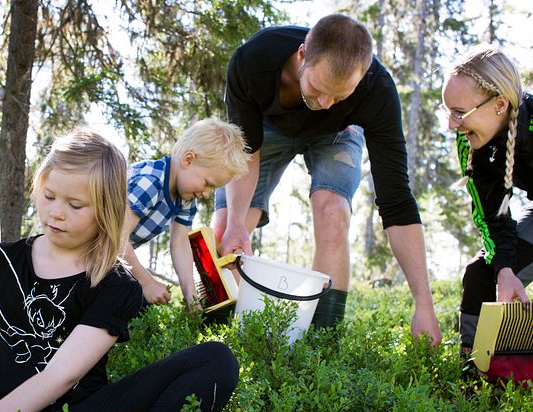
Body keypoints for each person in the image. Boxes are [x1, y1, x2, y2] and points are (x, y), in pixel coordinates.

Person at [0, 129, 240, 412]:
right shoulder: (2, 261)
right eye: (49, 197)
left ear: (107, 209)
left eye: (75, 204)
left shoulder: (113, 283)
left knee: (216, 360)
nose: (57, 213)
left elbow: (61, 375)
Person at [213, 13, 442, 343]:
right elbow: (245, 153)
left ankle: (322, 341)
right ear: (302, 54)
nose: (325, 103)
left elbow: (397, 200)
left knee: (333, 212)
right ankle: (223, 331)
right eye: (317, 89)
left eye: (340, 95)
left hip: (337, 134)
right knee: (227, 225)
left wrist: (423, 302)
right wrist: (236, 221)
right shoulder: (254, 62)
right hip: (267, 130)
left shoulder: (377, 91)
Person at [441, 45, 533, 353]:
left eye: (459, 113)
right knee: (483, 272)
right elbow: (493, 216)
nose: (452, 124)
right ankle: (474, 377)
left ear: (499, 105)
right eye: (448, 111)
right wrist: (505, 270)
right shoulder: (471, 142)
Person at [123, 117, 249, 309]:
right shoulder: (150, 182)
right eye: (207, 183)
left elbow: (180, 243)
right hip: (84, 246)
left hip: (108, 255)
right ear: (188, 160)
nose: (207, 194)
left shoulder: (185, 198)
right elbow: (115, 236)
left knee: (138, 305)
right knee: (126, 297)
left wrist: (191, 295)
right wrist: (146, 281)